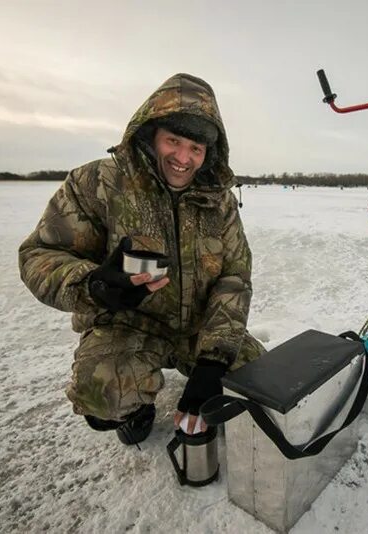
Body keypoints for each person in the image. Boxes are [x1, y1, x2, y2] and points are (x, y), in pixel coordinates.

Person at [19, 73, 265, 446]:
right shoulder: (97, 183)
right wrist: (94, 283)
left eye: (196, 149)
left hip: (199, 327)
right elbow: (39, 254)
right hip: (128, 325)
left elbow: (234, 276)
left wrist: (213, 362)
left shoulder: (220, 201)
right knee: (103, 391)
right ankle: (137, 410)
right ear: (151, 134)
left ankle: (205, 377)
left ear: (208, 153)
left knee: (258, 380)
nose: (183, 158)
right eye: (174, 141)